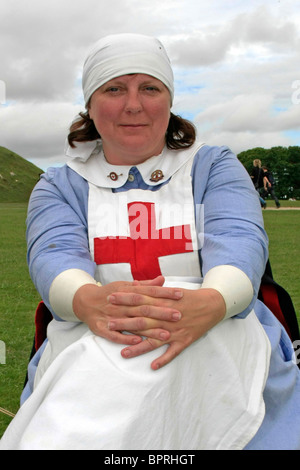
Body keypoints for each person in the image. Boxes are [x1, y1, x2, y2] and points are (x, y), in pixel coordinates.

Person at [0, 33, 299, 451]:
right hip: (98, 335)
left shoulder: (213, 166)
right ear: (90, 103)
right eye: (114, 88)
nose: (133, 105)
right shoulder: (59, 185)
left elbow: (239, 238)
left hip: (219, 327)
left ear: (169, 100)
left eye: (150, 88)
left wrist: (211, 304)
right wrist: (89, 300)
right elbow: (53, 253)